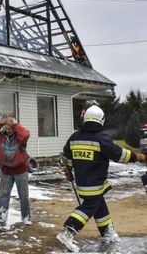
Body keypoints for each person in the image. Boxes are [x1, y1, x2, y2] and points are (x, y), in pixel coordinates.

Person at [57, 105, 147, 252]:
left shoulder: (74, 137)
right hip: (95, 184)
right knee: (89, 207)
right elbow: (119, 154)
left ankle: (108, 233)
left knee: (99, 205)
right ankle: (67, 233)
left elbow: (66, 156)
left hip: (82, 183)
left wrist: (68, 170)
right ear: (101, 120)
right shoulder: (101, 138)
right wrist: (138, 157)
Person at [0, 116, 31, 227]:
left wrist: (16, 124)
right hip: (6, 170)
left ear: (14, 128)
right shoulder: (0, 137)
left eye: (10, 128)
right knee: (3, 195)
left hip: (21, 170)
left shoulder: (21, 138)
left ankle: (26, 218)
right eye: (6, 128)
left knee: (23, 196)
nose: (8, 130)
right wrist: (1, 122)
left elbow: (25, 134)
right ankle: (1, 220)